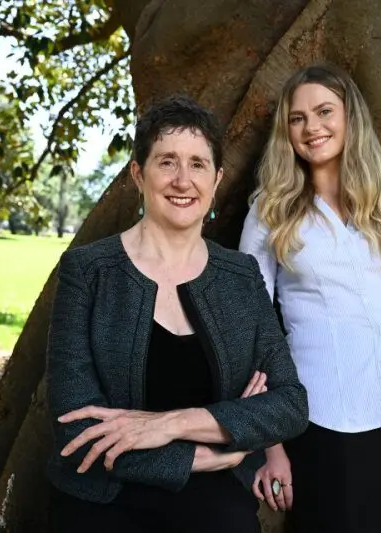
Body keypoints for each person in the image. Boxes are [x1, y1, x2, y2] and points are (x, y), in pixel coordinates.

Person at [45, 95, 309, 533]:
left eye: (198, 164)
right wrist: (209, 453)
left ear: (217, 179)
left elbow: (289, 403)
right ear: (138, 174)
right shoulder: (87, 271)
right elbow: (75, 430)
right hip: (104, 500)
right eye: (167, 162)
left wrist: (171, 424)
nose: (183, 180)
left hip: (215, 506)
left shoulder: (240, 275)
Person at [239, 64, 381, 533]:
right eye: (298, 118)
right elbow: (250, 331)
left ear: (350, 117)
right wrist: (271, 449)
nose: (312, 127)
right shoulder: (269, 213)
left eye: (324, 111)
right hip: (325, 417)